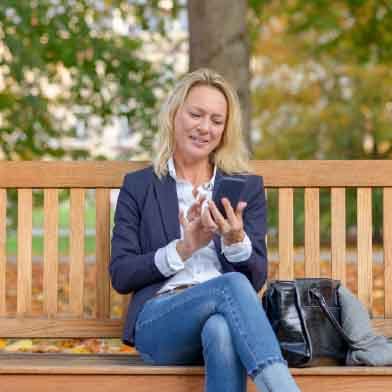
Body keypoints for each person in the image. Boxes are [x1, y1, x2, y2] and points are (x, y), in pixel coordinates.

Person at [109, 68, 301, 392]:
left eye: (216, 120)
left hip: (230, 319)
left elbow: (256, 276)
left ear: (226, 130)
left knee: (221, 330)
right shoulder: (140, 186)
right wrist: (184, 248)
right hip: (160, 322)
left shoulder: (244, 188)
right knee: (230, 286)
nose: (204, 128)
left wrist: (235, 240)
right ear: (174, 115)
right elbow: (122, 274)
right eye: (196, 114)